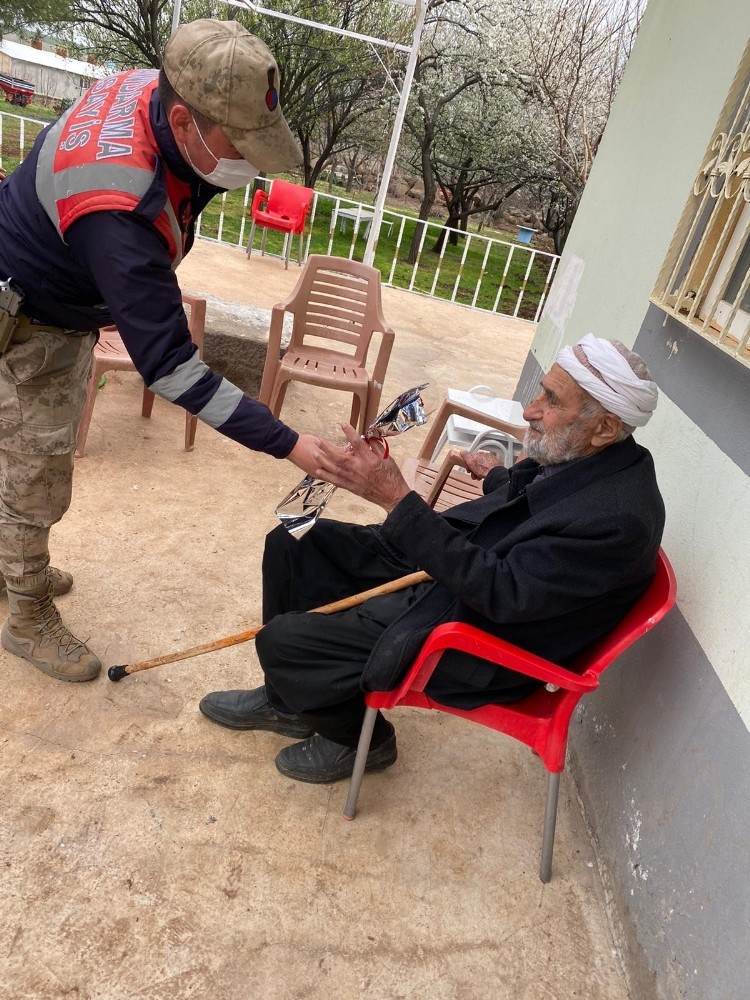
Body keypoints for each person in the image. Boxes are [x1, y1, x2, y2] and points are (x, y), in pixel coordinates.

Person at [0, 20, 327, 684]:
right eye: (239, 143)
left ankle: (12, 560)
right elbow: (173, 367)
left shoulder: (154, 87)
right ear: (183, 120)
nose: (250, 160)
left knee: (18, 456)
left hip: (45, 282)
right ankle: (25, 609)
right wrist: (295, 445)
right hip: (32, 319)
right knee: (36, 469)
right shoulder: (118, 207)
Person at [199, 336, 665, 784]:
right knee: (293, 544)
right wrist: (498, 477)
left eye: (551, 401)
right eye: (541, 390)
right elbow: (542, 506)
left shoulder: (618, 519)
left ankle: (364, 739)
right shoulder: (597, 456)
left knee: (284, 643)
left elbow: (504, 594)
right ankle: (288, 703)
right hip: (458, 574)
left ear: (604, 427)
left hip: (476, 633)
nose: (530, 410)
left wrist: (394, 497)